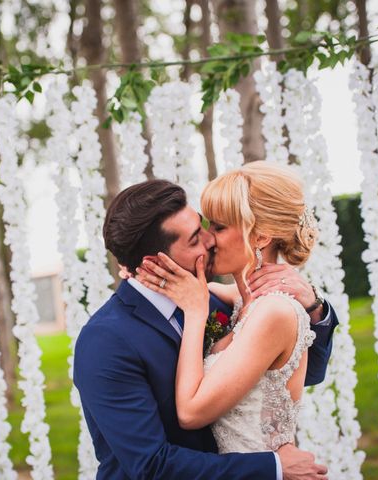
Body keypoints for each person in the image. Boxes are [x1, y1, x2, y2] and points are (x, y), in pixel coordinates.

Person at [73, 176, 337, 479]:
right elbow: (151, 466)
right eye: (195, 238)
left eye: (207, 226)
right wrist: (274, 467)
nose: (210, 240)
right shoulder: (106, 341)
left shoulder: (216, 301)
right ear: (152, 262)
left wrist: (314, 308)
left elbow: (295, 374)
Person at [136, 161, 325, 457]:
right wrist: (140, 266)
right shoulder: (241, 299)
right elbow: (203, 289)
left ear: (261, 237)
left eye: (219, 227)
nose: (207, 239)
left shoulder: (273, 311)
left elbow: (190, 413)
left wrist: (197, 314)